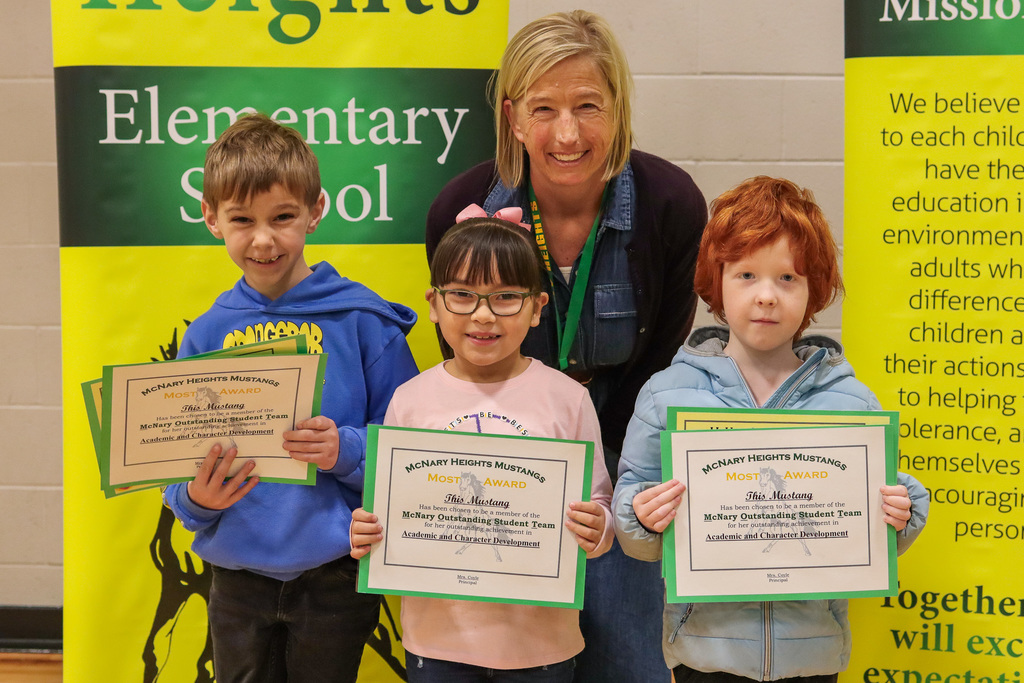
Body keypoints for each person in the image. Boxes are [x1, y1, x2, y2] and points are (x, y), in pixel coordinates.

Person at [424, 11, 707, 681]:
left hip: (621, 442)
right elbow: (467, 346)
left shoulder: (672, 203)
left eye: (589, 106)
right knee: (512, 658)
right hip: (502, 456)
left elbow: (660, 358)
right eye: (545, 109)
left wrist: (598, 474)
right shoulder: (459, 208)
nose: (569, 133)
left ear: (619, 109)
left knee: (627, 656)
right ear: (515, 118)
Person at [613, 176, 930, 682]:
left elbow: (878, 534)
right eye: (746, 276)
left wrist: (902, 511)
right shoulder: (667, 394)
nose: (766, 297)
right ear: (715, 282)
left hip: (814, 657)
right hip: (705, 656)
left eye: (788, 278)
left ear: (815, 291)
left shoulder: (849, 403)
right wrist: (641, 514)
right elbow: (635, 523)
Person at [162, 113, 419, 683]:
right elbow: (174, 474)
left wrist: (343, 450)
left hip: (335, 573)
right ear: (211, 219)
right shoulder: (205, 335)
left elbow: (413, 455)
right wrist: (198, 500)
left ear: (315, 209)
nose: (264, 239)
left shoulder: (364, 323)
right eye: (241, 220)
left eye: (283, 217)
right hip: (236, 579)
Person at [351, 216, 614, 682]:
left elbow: (599, 510)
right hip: (436, 642)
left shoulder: (568, 397)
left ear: (537, 308)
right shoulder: (410, 399)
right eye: (463, 295)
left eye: (507, 297)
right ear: (434, 303)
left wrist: (598, 529)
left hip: (541, 645)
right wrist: (370, 532)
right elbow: (388, 512)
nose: (484, 314)